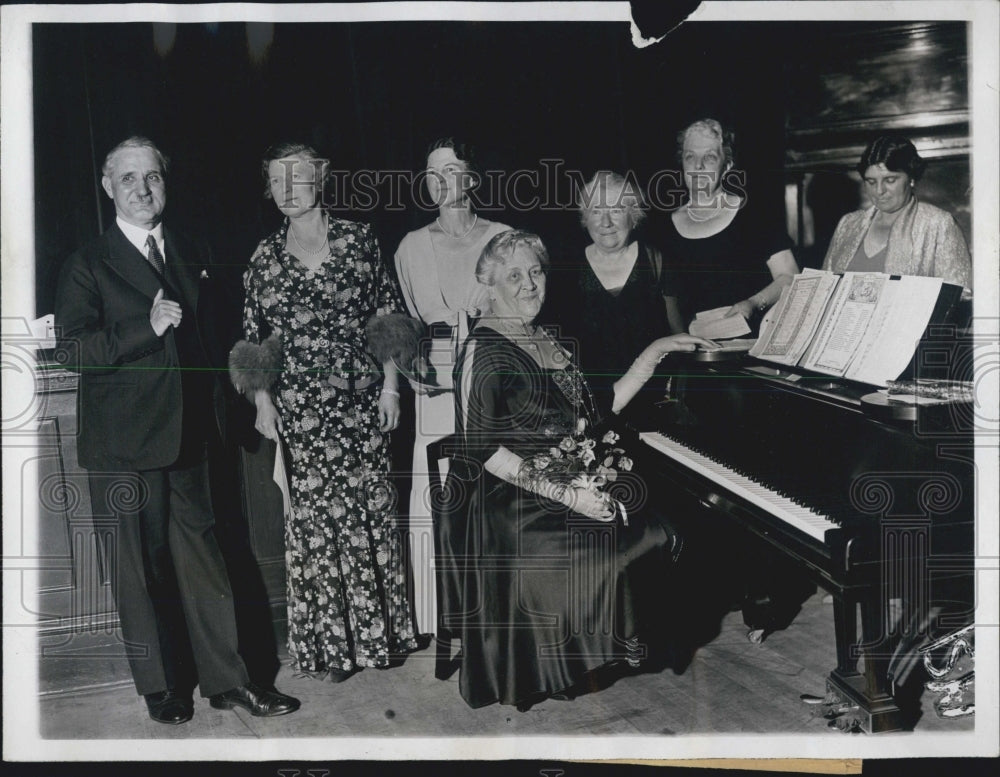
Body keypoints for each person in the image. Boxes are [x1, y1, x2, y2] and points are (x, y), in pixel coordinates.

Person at [54, 136, 300, 724]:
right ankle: (161, 688)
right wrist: (147, 327)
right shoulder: (88, 262)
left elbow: (219, 342)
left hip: (193, 436)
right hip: (124, 444)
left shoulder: (193, 249)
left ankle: (230, 681)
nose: (143, 189)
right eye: (130, 178)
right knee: (141, 570)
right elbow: (72, 349)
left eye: (154, 177)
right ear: (108, 187)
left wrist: (253, 396)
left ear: (167, 182)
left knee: (205, 562)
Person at [452, 229, 716, 709]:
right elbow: (484, 452)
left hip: (567, 475)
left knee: (658, 529)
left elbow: (601, 408)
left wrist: (656, 349)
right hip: (510, 496)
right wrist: (570, 495)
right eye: (515, 275)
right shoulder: (482, 349)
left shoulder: (546, 336)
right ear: (489, 284)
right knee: (605, 549)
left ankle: (609, 647)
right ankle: (566, 662)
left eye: (536, 272)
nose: (530, 284)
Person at [233, 141, 418, 683]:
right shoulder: (263, 259)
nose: (288, 189)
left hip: (362, 402)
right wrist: (263, 401)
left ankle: (379, 639)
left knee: (370, 518)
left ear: (320, 180)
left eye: (298, 177)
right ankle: (331, 648)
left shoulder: (360, 239)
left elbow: (386, 318)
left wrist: (391, 388)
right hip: (303, 412)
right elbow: (253, 343)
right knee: (315, 526)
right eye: (277, 180)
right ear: (268, 190)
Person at [393, 138, 509, 635]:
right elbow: (400, 326)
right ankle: (445, 617)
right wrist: (409, 366)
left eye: (452, 169)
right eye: (431, 172)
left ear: (474, 177)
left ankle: (502, 611)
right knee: (442, 493)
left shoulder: (505, 237)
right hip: (436, 382)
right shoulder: (410, 247)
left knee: (499, 479)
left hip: (493, 374)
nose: (441, 182)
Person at [662, 118, 799, 333]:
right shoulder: (663, 227)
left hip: (751, 350)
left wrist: (753, 303)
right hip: (692, 357)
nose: (698, 166)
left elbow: (790, 277)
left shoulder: (754, 215)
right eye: (690, 157)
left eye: (709, 157)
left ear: (727, 165)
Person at [551, 170, 672, 412]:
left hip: (653, 401)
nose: (605, 223)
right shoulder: (566, 269)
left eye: (616, 210)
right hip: (593, 406)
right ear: (585, 218)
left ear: (633, 216)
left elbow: (676, 333)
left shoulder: (656, 260)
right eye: (596, 211)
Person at [822, 134, 972, 295]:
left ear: (911, 178)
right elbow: (824, 288)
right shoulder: (848, 224)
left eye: (890, 180)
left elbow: (959, 296)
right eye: (871, 182)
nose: (879, 191)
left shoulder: (938, 223)